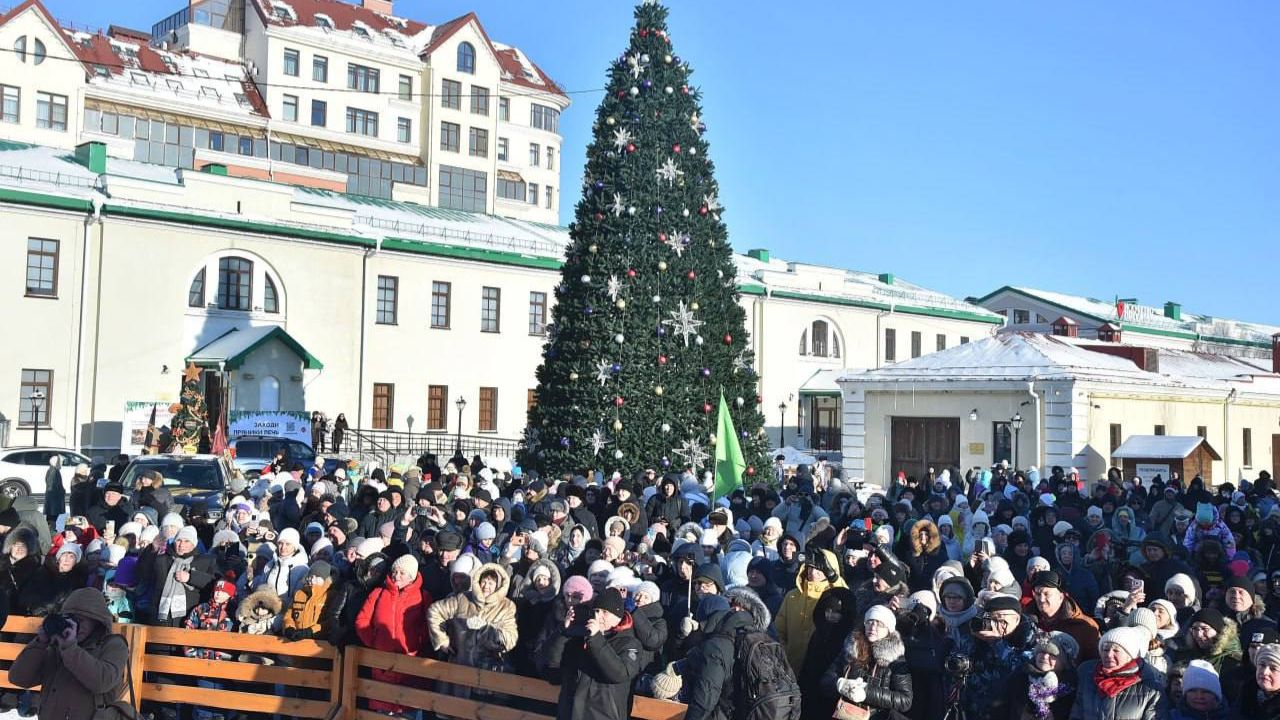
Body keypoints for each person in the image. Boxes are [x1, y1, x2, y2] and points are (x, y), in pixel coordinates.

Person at [10, 587, 132, 720]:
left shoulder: (113, 645)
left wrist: (70, 648)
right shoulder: (57, 646)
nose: (74, 625)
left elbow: (102, 682)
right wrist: (40, 642)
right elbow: (19, 678)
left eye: (80, 620)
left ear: (96, 621)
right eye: (70, 619)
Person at [550, 587, 642, 720]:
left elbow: (620, 673)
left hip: (604, 715)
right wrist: (563, 632)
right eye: (596, 611)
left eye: (605, 612)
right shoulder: (579, 638)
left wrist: (596, 638)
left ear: (618, 616)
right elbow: (551, 670)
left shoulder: (629, 643)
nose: (598, 616)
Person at [822, 604, 913, 720]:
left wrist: (866, 692)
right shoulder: (851, 649)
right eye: (869, 621)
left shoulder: (895, 659)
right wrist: (841, 684)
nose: (873, 627)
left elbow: (905, 700)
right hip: (845, 715)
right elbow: (826, 680)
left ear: (888, 629)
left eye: (879, 624)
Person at [776, 548, 848, 672]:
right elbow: (778, 629)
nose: (813, 572)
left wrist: (834, 578)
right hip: (789, 667)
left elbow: (847, 600)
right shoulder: (792, 596)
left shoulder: (835, 598)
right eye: (810, 567)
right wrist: (784, 651)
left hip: (820, 672)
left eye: (819, 568)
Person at [1069, 626, 1164, 719]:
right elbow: (1077, 714)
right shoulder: (1089, 679)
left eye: (1116, 650)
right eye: (1105, 650)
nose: (1109, 654)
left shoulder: (1150, 688)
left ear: (1130, 655)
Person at [1029, 571, 1101, 662]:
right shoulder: (1028, 620)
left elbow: (1093, 664)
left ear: (1061, 596)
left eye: (1047, 594)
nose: (1041, 599)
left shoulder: (1084, 627)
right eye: (1038, 594)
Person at [43, 455, 65, 526]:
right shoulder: (54, 471)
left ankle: (50, 531)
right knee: (52, 518)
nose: (61, 463)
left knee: (51, 518)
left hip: (53, 499)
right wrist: (60, 491)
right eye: (60, 462)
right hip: (54, 500)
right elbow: (51, 485)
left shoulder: (53, 470)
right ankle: (51, 532)